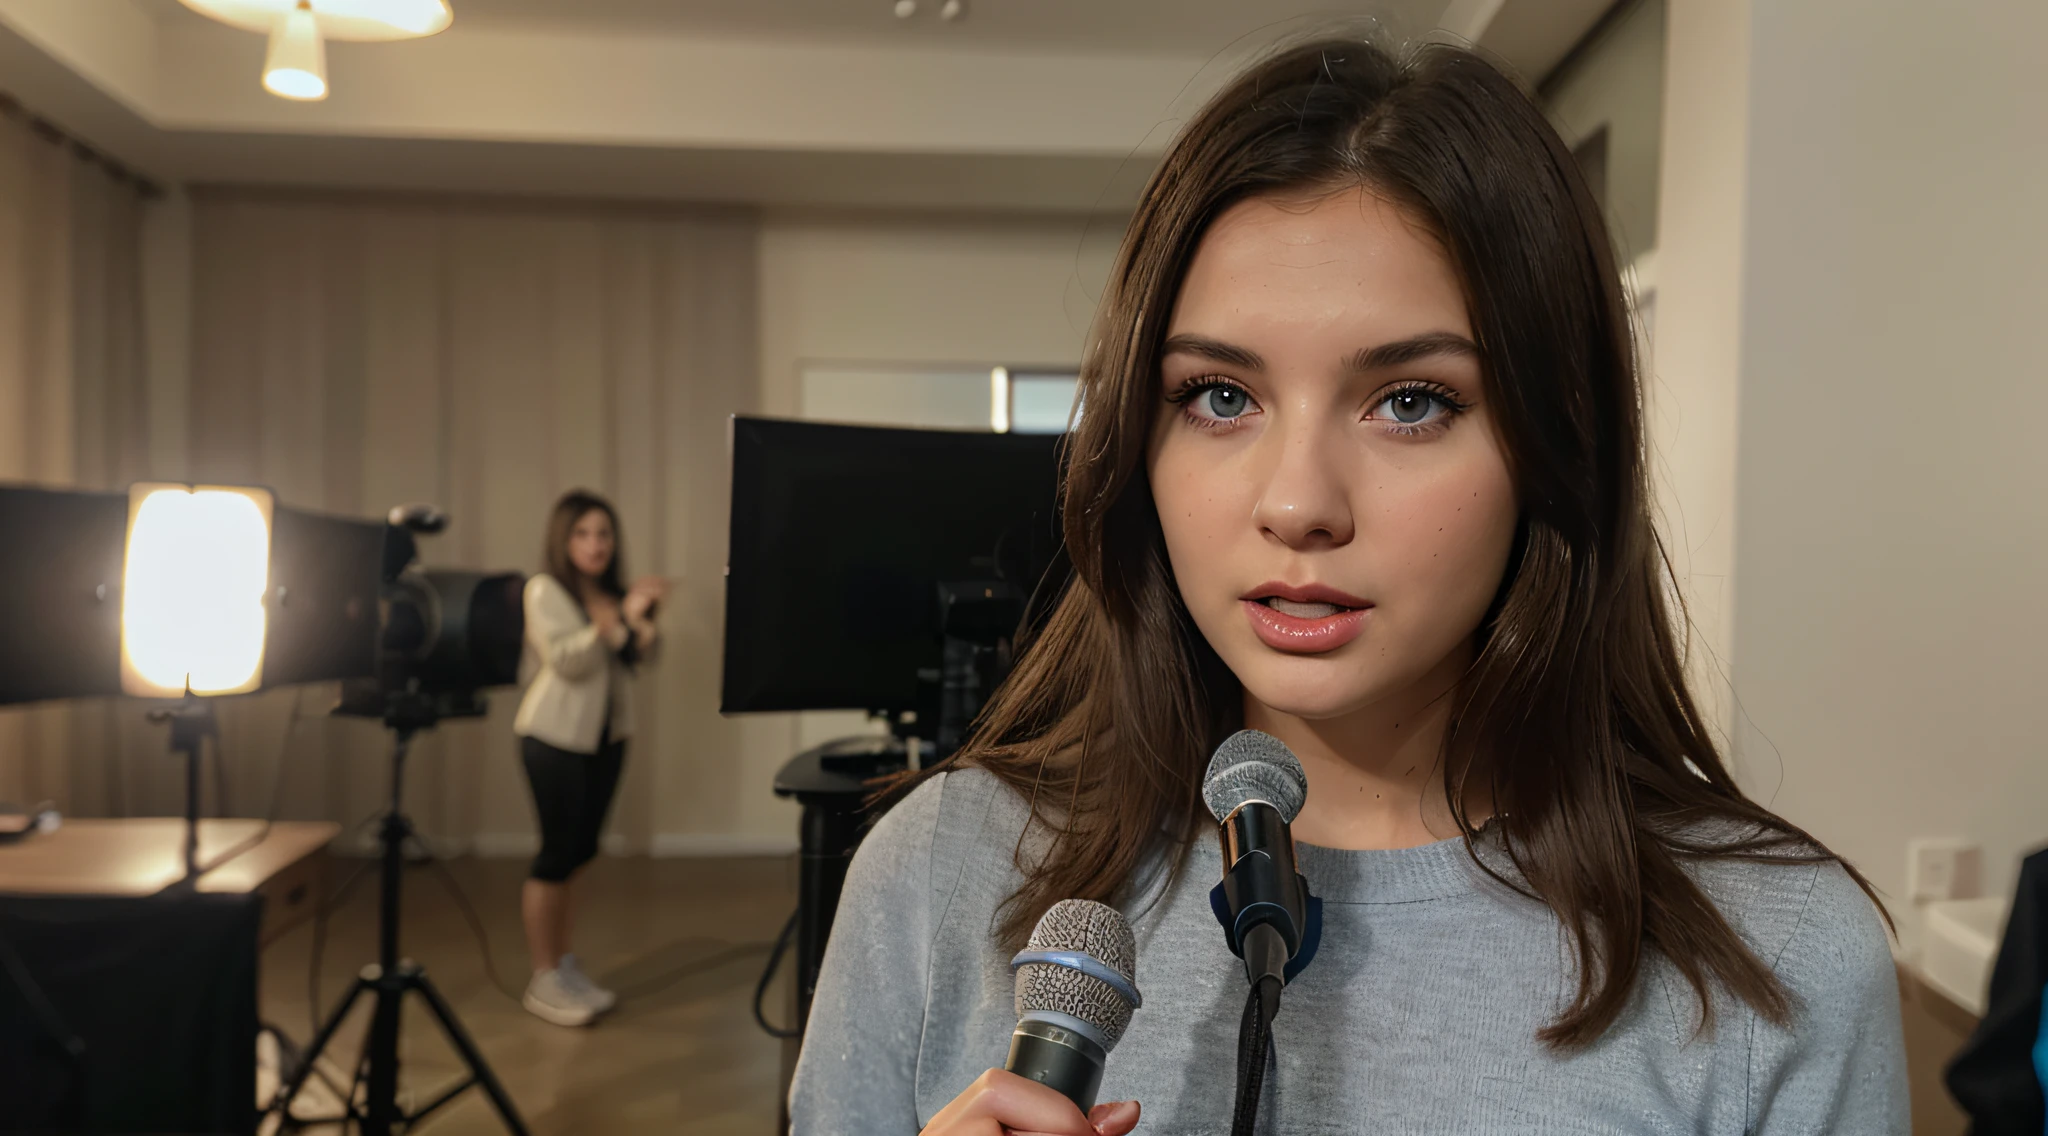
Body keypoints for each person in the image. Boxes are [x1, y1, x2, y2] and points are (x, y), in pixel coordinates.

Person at [790, 35, 1907, 1134]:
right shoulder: (940, 872)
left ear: (1552, 445)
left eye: (1411, 400)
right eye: (1219, 395)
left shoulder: (1782, 956)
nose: (1296, 502)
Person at [512, 489, 665, 1027]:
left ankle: (564, 964)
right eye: (583, 533)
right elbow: (566, 661)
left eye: (604, 533)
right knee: (555, 856)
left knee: (580, 855)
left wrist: (641, 622)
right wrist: (614, 619)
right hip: (553, 738)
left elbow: (633, 655)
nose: (596, 544)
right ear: (563, 538)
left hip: (606, 740)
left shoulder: (608, 592)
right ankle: (542, 976)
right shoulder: (545, 590)